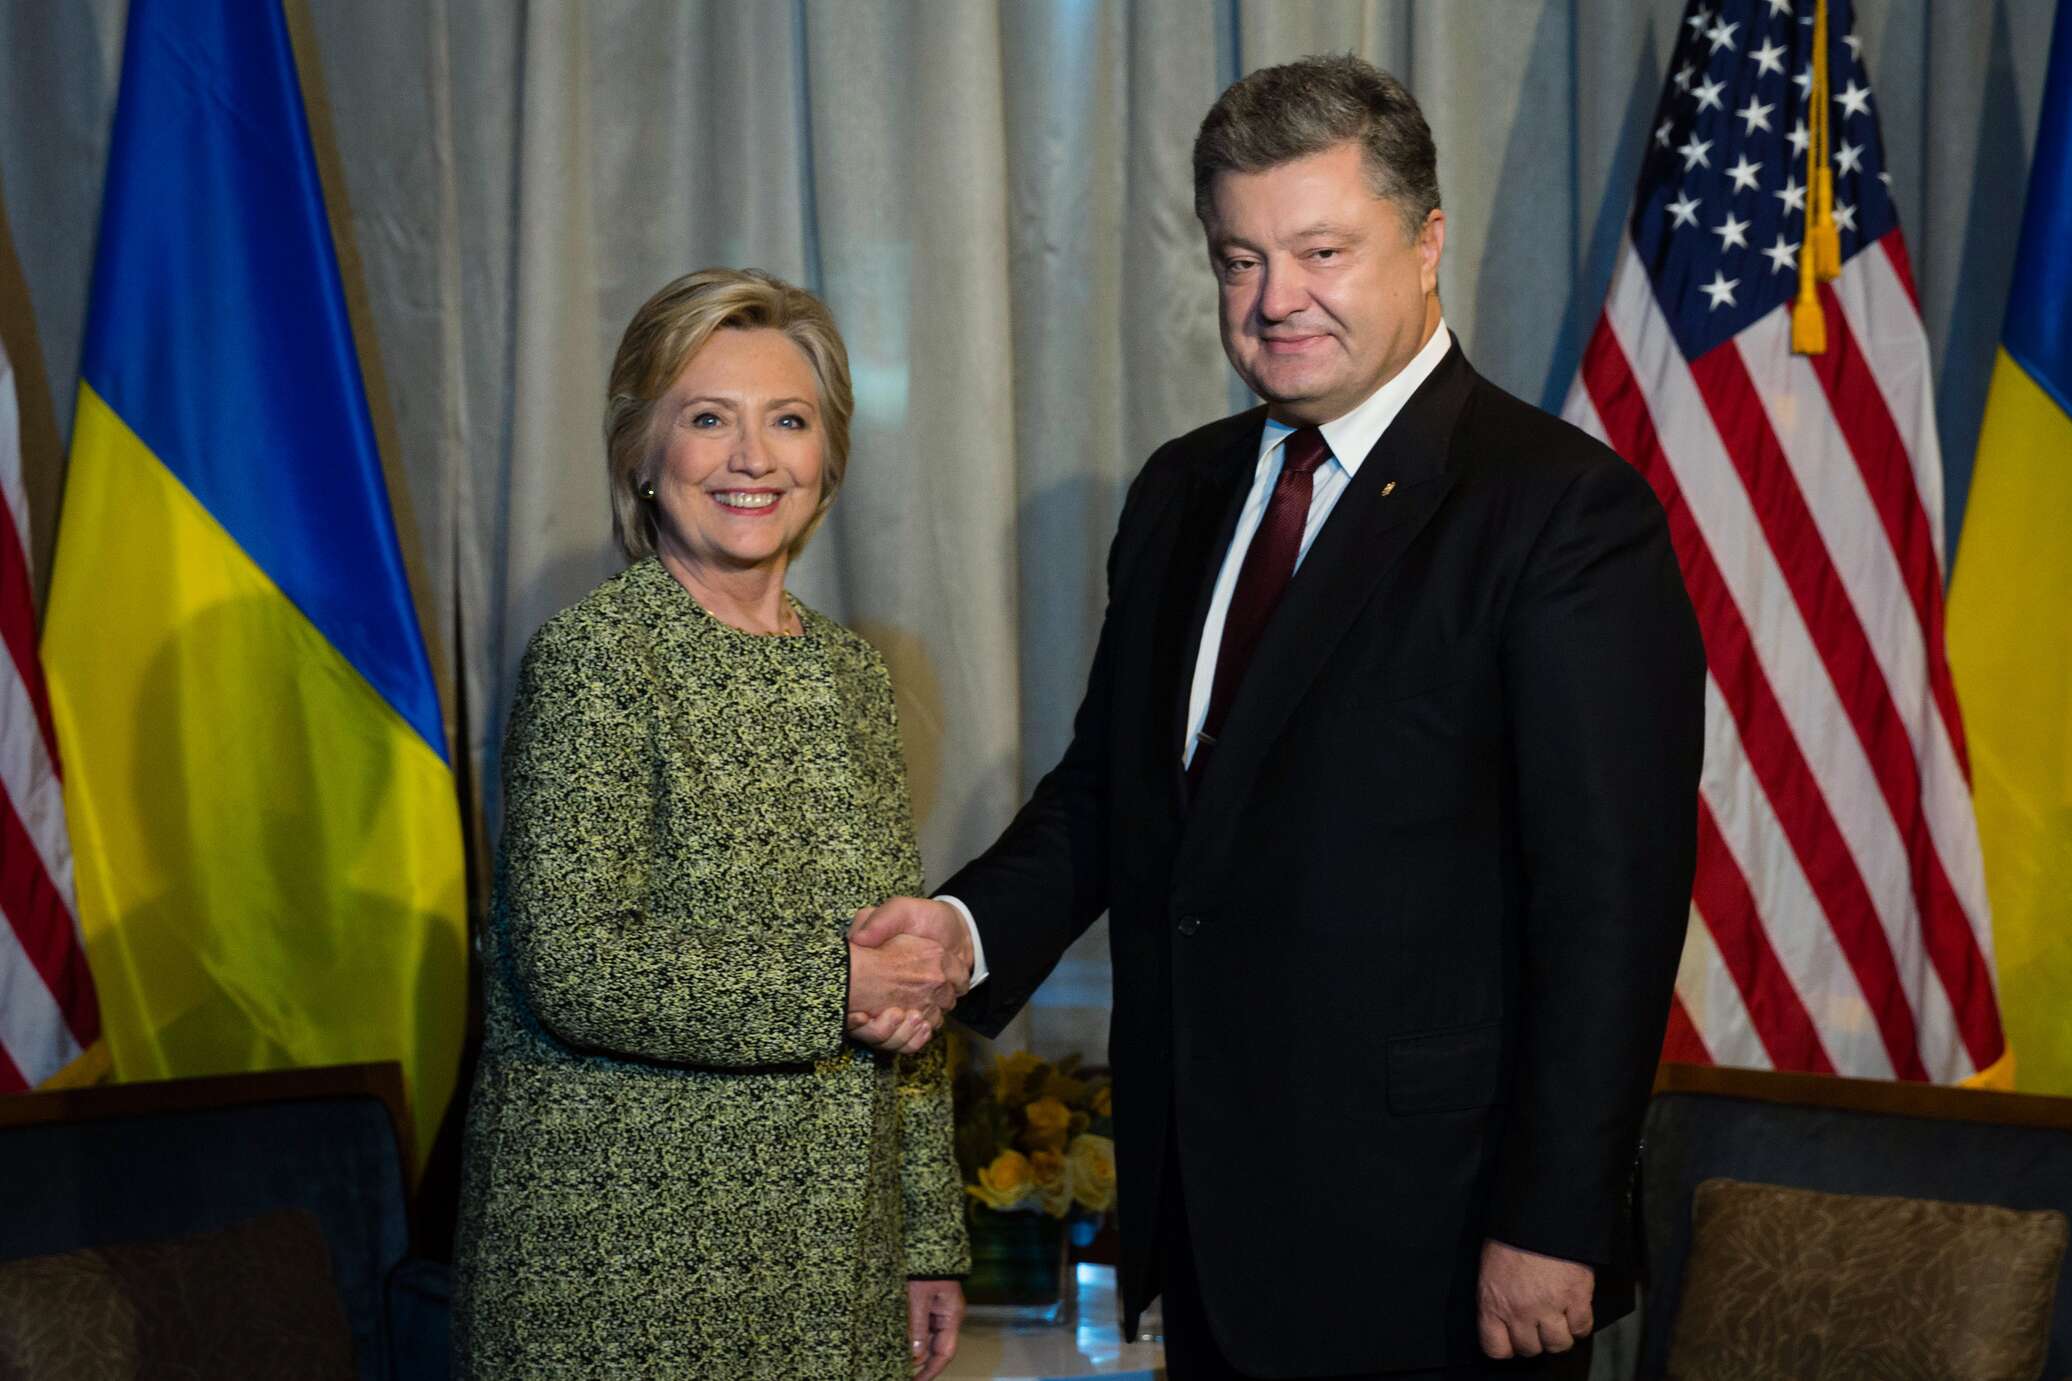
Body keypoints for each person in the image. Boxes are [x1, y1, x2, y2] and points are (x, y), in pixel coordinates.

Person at [849, 56, 1706, 1379]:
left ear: (1427, 243)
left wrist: (1554, 1217)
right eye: (1238, 259)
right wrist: (962, 932)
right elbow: (1115, 791)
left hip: (1440, 1236)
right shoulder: (1181, 491)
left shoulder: (1559, 513)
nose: (1273, 299)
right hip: (1205, 1215)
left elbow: (1612, 905)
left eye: (1320, 251)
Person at [452, 268, 972, 1379]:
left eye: (787, 421)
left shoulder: (851, 673)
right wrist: (833, 987)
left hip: (837, 1265)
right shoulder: (597, 659)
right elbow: (574, 965)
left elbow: (906, 971)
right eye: (706, 420)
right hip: (621, 1273)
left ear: (826, 456)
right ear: (643, 455)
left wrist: (928, 1236)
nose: (752, 458)